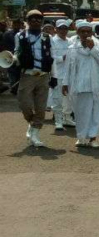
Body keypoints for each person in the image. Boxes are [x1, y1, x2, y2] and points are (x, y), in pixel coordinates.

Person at [62, 21, 99, 148]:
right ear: (78, 32)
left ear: (92, 33)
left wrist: (92, 48)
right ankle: (81, 137)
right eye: (83, 31)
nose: (85, 34)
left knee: (95, 112)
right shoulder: (72, 48)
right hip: (78, 85)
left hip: (95, 85)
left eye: (88, 31)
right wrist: (65, 83)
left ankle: (93, 139)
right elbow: (67, 68)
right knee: (80, 113)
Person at [14, 10, 54, 147]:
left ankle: (35, 134)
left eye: (39, 18)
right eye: (33, 18)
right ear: (28, 20)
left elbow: (52, 57)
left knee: (41, 107)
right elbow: (17, 51)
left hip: (43, 76)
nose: (36, 21)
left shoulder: (47, 37)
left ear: (42, 21)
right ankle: (32, 123)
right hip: (28, 75)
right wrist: (14, 59)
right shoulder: (20, 36)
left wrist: (53, 76)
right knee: (24, 104)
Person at [50, 19, 74, 131]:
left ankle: (67, 118)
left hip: (69, 74)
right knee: (57, 98)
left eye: (65, 28)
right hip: (57, 73)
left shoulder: (70, 41)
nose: (63, 30)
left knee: (69, 98)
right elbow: (50, 57)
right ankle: (58, 121)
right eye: (61, 28)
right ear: (56, 29)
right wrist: (62, 58)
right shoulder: (52, 41)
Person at [3, 18, 23, 95]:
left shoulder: (23, 34)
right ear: (13, 24)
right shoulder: (7, 34)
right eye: (15, 24)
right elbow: (3, 45)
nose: (17, 25)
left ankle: (16, 87)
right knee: (11, 72)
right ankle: (13, 87)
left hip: (20, 56)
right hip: (9, 55)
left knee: (18, 72)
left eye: (18, 24)